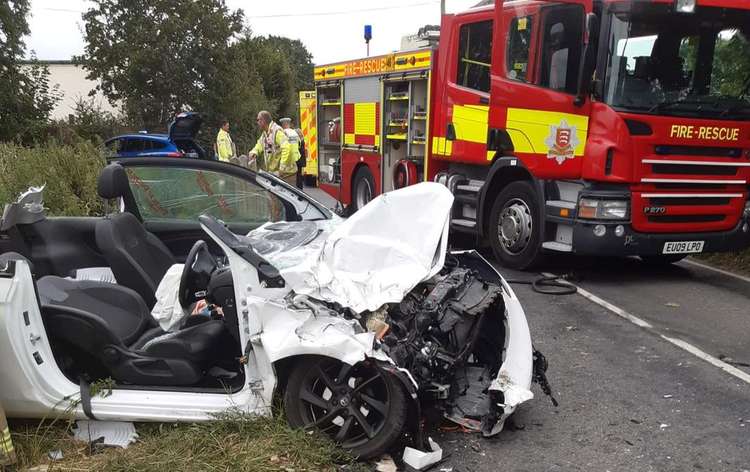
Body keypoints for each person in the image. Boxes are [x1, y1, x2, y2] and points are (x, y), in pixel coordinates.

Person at [248, 111, 297, 185]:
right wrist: (254, 152)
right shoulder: (266, 133)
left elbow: (287, 147)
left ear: (263, 121)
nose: (257, 122)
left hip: (286, 174)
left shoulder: (276, 131)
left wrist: (282, 168)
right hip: (277, 174)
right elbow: (260, 144)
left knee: (284, 196)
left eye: (258, 120)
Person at [280, 118, 303, 189]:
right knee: (298, 177)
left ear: (284, 124)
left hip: (289, 159)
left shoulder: (284, 132)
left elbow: (283, 146)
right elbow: (299, 143)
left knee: (288, 181)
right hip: (297, 157)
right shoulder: (294, 132)